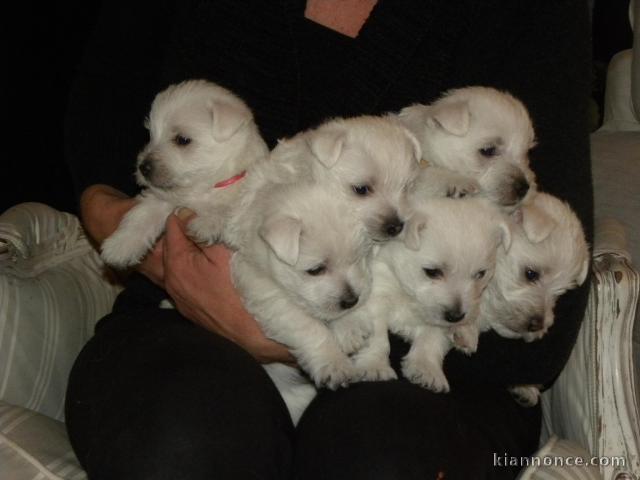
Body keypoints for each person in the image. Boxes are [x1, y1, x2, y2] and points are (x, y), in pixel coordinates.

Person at [64, 1, 593, 478]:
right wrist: (156, 249)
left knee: (382, 463)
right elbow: (97, 139)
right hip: (180, 316)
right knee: (178, 444)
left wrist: (294, 329)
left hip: (430, 369)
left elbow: (550, 307)